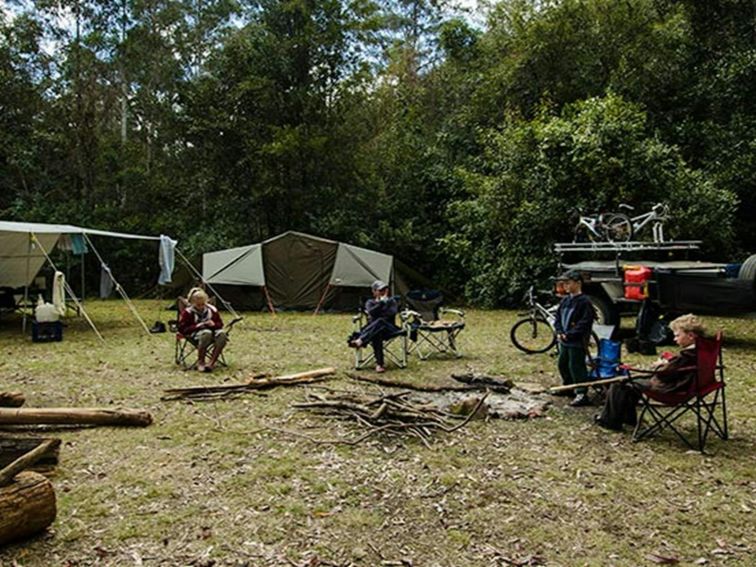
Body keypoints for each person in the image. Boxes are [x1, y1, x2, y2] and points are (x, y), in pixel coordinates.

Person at [595, 313, 704, 431]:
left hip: (673, 388)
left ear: (691, 335)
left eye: (677, 336)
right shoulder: (702, 350)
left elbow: (664, 375)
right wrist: (669, 363)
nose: (675, 339)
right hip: (687, 384)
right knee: (632, 383)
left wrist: (660, 366)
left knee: (620, 383)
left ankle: (609, 421)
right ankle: (628, 418)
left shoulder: (686, 355)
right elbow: (678, 368)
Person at [553, 269, 595, 407]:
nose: (565, 286)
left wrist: (570, 334)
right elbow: (557, 318)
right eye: (563, 283)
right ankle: (569, 387)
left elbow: (585, 322)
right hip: (564, 340)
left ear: (578, 283)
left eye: (568, 283)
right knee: (562, 363)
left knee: (576, 365)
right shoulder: (565, 301)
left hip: (577, 340)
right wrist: (559, 331)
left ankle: (581, 392)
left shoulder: (584, 302)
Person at [348, 280, 401, 373]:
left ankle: (361, 341)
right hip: (374, 330)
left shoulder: (392, 301)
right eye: (380, 290)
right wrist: (381, 304)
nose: (383, 292)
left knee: (380, 321)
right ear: (374, 292)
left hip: (389, 329)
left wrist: (380, 307)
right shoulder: (370, 302)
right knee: (377, 333)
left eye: (385, 289)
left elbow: (391, 313)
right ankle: (379, 364)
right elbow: (371, 312)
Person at [178, 287, 227, 372]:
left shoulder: (212, 310)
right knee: (206, 333)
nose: (201, 307)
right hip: (195, 334)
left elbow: (220, 324)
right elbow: (182, 329)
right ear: (193, 303)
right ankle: (201, 361)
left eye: (203, 304)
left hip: (213, 331)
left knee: (222, 334)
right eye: (198, 305)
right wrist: (198, 326)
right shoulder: (188, 312)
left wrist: (213, 324)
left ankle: (212, 362)